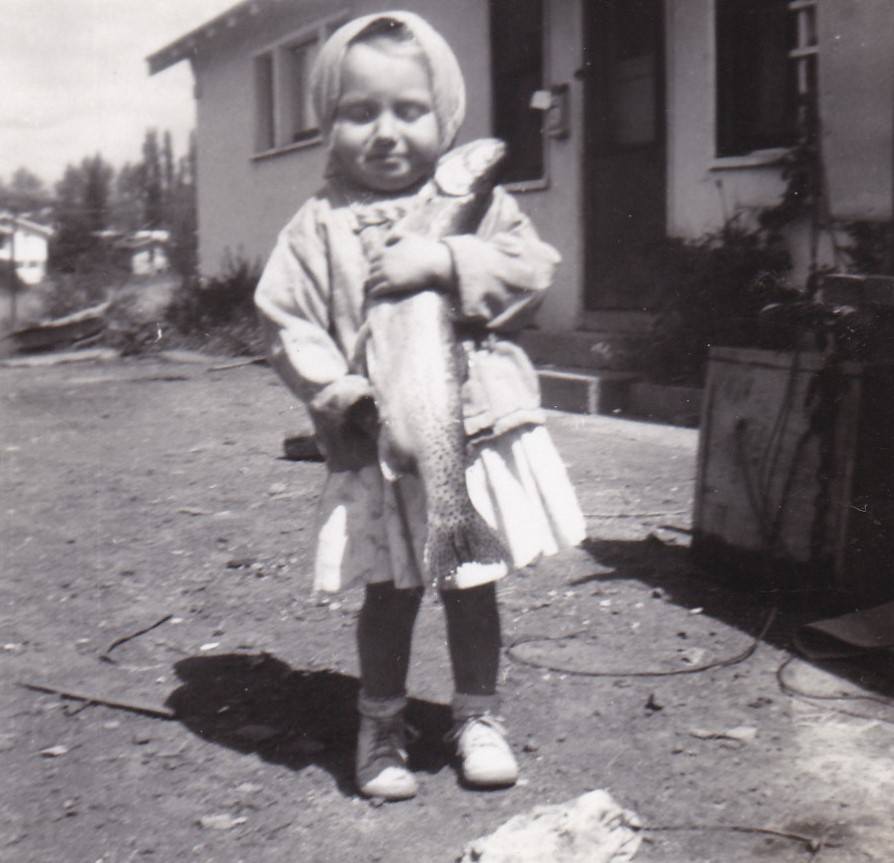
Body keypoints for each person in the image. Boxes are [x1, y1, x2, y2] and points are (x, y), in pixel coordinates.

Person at [255, 11, 586, 801]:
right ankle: (381, 721)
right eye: (359, 111)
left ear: (445, 117)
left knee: (471, 580)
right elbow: (286, 318)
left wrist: (444, 256)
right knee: (391, 593)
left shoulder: (476, 207)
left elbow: (531, 269)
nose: (385, 131)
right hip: (378, 439)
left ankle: (477, 713)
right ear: (326, 121)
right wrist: (335, 386)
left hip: (464, 432)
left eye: (409, 110)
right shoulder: (316, 226)